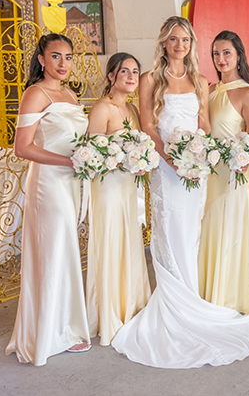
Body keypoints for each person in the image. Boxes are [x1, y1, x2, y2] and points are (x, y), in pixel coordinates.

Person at [110, 16, 249, 369]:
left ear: (191, 44)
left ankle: (190, 300)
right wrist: (173, 159)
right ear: (163, 42)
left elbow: (205, 124)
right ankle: (176, 307)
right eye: (174, 39)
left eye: (186, 40)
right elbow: (148, 125)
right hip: (167, 169)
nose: (180, 45)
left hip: (196, 169)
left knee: (191, 234)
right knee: (171, 230)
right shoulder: (150, 79)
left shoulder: (198, 81)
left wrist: (199, 152)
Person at [6, 33, 91, 365]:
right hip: (49, 183)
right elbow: (22, 148)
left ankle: (65, 328)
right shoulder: (35, 93)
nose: (63, 64)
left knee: (65, 248)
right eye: (56, 57)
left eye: (68, 57)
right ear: (41, 59)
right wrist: (68, 161)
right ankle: (47, 335)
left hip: (71, 179)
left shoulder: (69, 93)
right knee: (53, 250)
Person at [84, 52, 151, 347]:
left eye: (135, 72)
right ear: (111, 76)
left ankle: (132, 306)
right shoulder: (103, 108)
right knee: (111, 243)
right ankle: (109, 312)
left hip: (128, 188)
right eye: (125, 72)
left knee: (130, 243)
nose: (132, 77)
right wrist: (119, 161)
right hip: (109, 188)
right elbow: (90, 154)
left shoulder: (133, 110)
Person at [199, 30, 249, 317]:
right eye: (216, 53)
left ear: (238, 54)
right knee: (208, 226)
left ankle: (228, 294)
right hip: (208, 170)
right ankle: (206, 290)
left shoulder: (246, 92)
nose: (221, 58)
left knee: (229, 226)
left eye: (226, 52)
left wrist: (245, 158)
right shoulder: (210, 90)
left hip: (234, 172)